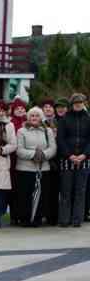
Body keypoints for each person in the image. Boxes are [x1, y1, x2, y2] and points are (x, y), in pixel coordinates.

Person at [15, 107, 57, 227]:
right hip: (25, 169)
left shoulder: (47, 131)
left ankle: (37, 218)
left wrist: (43, 155)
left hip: (43, 168)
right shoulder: (21, 131)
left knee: (42, 195)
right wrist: (34, 154)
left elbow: (53, 148)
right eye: (32, 116)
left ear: (41, 117)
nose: (34, 118)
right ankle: (25, 219)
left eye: (37, 116)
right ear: (28, 117)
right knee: (25, 195)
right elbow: (19, 150)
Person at [56, 93, 90, 227]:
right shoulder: (64, 120)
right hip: (66, 160)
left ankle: (77, 220)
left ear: (84, 104)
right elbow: (60, 140)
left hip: (84, 160)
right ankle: (64, 219)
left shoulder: (88, 119)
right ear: (72, 105)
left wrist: (84, 155)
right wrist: (69, 155)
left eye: (80, 103)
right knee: (66, 191)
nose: (78, 105)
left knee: (80, 192)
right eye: (76, 103)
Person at [41, 98, 61, 225]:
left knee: (55, 190)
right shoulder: (40, 122)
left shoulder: (59, 122)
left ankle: (53, 216)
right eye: (45, 106)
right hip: (44, 159)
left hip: (58, 159)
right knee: (45, 189)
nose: (48, 109)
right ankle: (45, 214)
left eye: (50, 106)